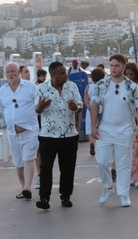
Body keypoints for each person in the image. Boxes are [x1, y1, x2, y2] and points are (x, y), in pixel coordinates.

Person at [90, 54, 138, 207]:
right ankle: (108, 188)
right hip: (104, 129)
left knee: (123, 164)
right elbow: (94, 105)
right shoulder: (101, 84)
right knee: (102, 161)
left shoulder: (131, 86)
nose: (113, 69)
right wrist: (93, 127)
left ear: (124, 67)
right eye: (111, 65)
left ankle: (124, 194)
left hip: (125, 130)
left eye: (117, 66)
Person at [35, 61, 83, 210]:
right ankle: (44, 198)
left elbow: (80, 105)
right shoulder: (41, 88)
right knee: (46, 168)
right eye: (62, 73)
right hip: (48, 136)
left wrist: (76, 108)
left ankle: (66, 196)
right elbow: (35, 109)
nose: (66, 75)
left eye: (65, 72)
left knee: (68, 168)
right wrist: (40, 107)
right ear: (53, 75)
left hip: (69, 135)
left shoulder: (72, 86)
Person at [0, 63, 39, 200]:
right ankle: (24, 187)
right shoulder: (2, 90)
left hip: (30, 131)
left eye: (13, 71)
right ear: (5, 74)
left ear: (18, 72)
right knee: (18, 163)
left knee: (28, 158)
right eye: (8, 72)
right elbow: (2, 110)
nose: (11, 74)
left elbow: (39, 104)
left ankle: (28, 187)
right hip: (12, 133)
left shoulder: (30, 87)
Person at [84, 67, 105, 156]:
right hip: (102, 110)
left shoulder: (89, 86)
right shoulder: (104, 86)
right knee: (100, 127)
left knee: (91, 127)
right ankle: (101, 145)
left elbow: (85, 97)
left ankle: (92, 143)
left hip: (90, 110)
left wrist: (89, 106)